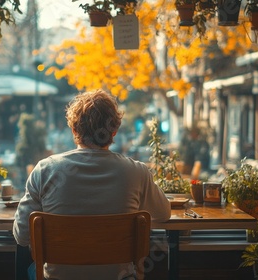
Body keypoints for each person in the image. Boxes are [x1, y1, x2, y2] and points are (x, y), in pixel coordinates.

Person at [13, 89, 171, 280]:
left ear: (74, 130)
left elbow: (21, 236)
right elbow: (163, 214)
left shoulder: (45, 170)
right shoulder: (136, 171)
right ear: (114, 131)